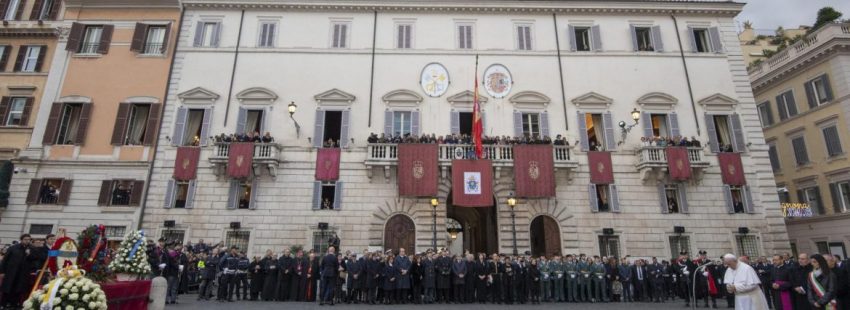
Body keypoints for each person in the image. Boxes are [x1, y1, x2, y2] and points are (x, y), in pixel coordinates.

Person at [0, 234, 35, 309]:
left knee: (18, 290)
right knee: (8, 289)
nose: (27, 241)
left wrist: (29, 255)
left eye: (29, 239)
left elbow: (34, 260)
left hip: (22, 274)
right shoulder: (13, 248)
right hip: (11, 272)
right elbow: (5, 260)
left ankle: (14, 304)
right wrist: (2, 272)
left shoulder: (31, 248)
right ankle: (3, 304)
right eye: (25, 239)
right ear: (21, 239)